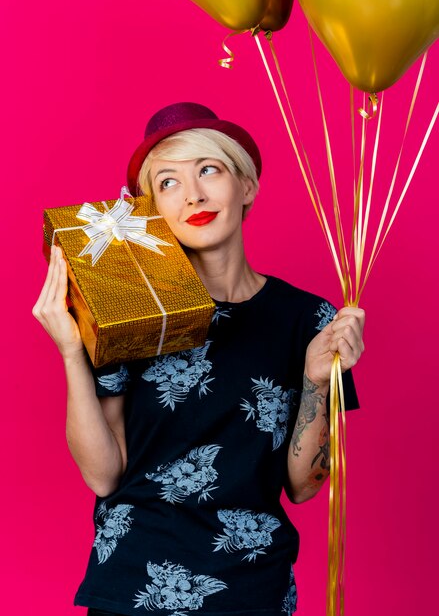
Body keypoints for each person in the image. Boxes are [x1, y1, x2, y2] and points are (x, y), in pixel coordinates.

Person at [33, 102, 365, 616]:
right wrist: (71, 351)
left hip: (254, 591)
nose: (193, 195)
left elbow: (304, 486)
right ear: (150, 209)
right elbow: (103, 476)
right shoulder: (134, 307)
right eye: (168, 182)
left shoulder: (311, 320)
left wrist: (317, 379)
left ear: (246, 186)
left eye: (209, 170)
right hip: (133, 584)